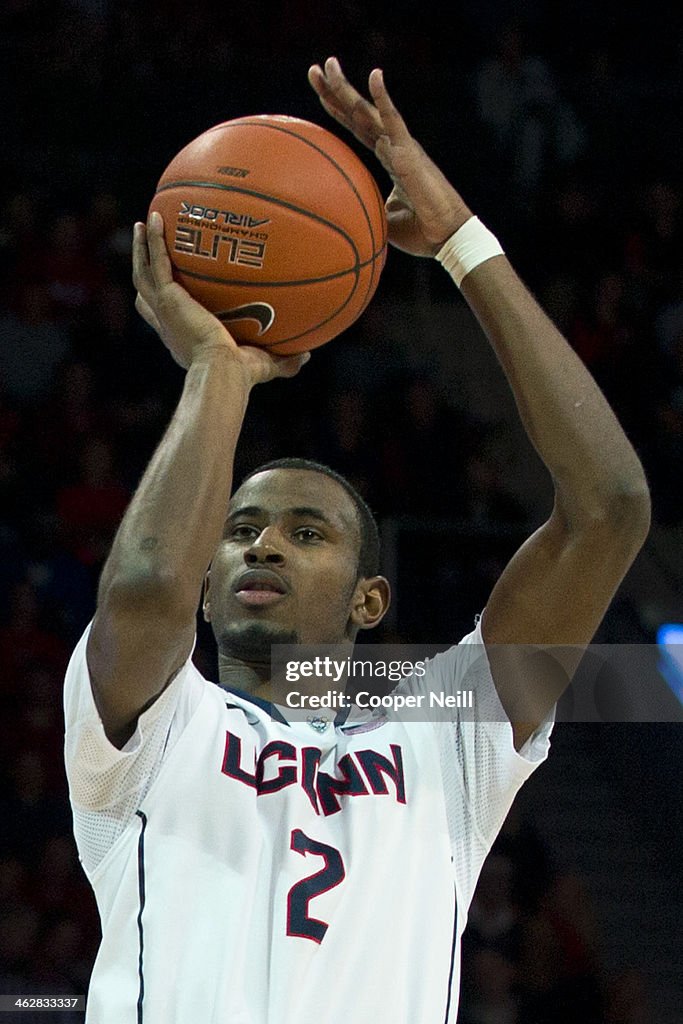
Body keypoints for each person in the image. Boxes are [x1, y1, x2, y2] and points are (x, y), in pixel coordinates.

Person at [63, 58, 650, 1024]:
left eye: (305, 533)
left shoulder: (446, 738)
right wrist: (219, 368)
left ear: (370, 600)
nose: (262, 549)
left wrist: (461, 240)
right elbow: (143, 585)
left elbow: (609, 507)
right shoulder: (152, 732)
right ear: (206, 590)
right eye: (240, 531)